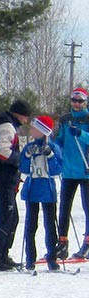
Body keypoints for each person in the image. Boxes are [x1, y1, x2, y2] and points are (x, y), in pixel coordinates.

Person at [0, 99, 33, 271]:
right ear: (20, 115)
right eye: (26, 117)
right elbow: (1, 150)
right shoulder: (7, 125)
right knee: (6, 217)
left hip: (1, 177)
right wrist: (19, 160)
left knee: (12, 218)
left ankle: (3, 255)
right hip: (3, 178)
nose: (26, 121)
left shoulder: (2, 123)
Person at [21, 115, 63, 271]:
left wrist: (50, 155)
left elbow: (57, 170)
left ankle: (52, 258)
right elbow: (23, 169)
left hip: (47, 191)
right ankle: (29, 259)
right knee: (31, 225)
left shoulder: (53, 147)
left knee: (50, 225)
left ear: (43, 131)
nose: (31, 130)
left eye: (34, 128)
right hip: (32, 190)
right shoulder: (29, 147)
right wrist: (26, 156)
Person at [55, 87, 89, 259]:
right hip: (68, 170)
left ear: (85, 102)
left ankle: (87, 244)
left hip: (86, 170)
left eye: (80, 101)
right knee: (64, 207)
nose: (76, 104)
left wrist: (81, 133)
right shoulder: (65, 119)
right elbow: (59, 140)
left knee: (87, 207)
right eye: (74, 100)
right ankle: (62, 242)